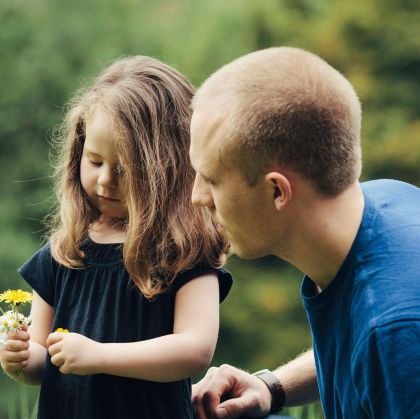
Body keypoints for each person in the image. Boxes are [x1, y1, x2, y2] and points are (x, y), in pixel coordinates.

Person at [189, 47, 420, 418]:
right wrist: (271, 387)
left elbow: (390, 344)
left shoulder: (398, 330)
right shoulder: (384, 200)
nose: (196, 196)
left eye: (212, 180)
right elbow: (364, 355)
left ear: (277, 191)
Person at [0, 55, 232, 419]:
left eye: (124, 168)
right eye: (94, 161)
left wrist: (100, 356)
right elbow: (43, 363)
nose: (106, 180)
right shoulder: (65, 251)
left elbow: (195, 351)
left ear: (167, 166)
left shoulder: (184, 252)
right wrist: (19, 358)